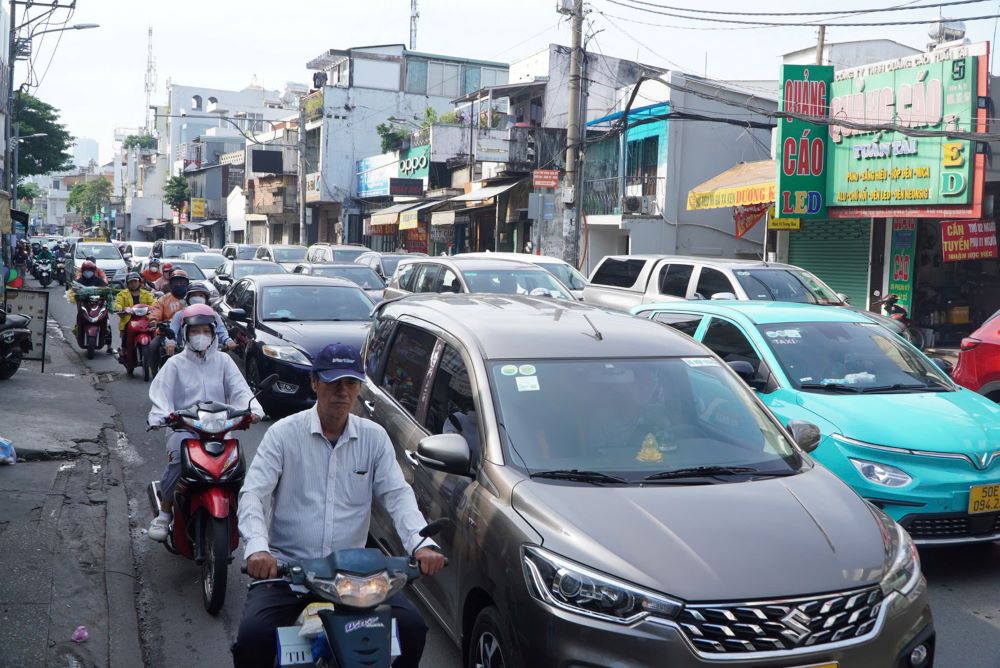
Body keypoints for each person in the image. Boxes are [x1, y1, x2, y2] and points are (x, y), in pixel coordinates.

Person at [232, 343, 446, 668]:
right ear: (315, 383)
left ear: (359, 387)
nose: (343, 392)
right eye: (334, 383)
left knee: (412, 629)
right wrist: (259, 549)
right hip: (290, 573)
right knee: (253, 638)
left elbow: (397, 495)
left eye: (351, 383)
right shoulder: (283, 435)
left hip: (356, 577)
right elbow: (253, 494)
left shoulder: (374, 438)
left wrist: (421, 544)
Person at [147, 304, 263, 541]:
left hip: (219, 430)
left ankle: (239, 510)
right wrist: (163, 416)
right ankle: (165, 512)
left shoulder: (224, 362)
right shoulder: (175, 364)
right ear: (185, 334)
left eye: (206, 331)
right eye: (195, 331)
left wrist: (252, 411)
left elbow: (240, 390)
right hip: (184, 429)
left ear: (213, 332)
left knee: (237, 468)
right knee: (179, 462)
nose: (201, 336)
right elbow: (161, 395)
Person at [164, 282, 235, 355]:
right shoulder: (179, 315)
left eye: (201, 295)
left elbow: (221, 330)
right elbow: (172, 331)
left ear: (206, 299)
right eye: (194, 295)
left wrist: (228, 340)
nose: (197, 298)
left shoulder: (213, 314)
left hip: (209, 353)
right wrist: (170, 343)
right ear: (188, 298)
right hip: (184, 353)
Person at [147, 270, 190, 371]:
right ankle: (155, 374)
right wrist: (153, 319)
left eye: (182, 282)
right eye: (176, 282)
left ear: (187, 284)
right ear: (171, 284)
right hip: (166, 333)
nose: (179, 284)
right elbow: (156, 311)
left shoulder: (191, 297)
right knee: (153, 346)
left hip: (190, 332)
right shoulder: (163, 299)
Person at [113, 272, 155, 365]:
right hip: (129, 320)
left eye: (135, 281)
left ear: (139, 282)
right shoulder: (122, 294)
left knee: (154, 331)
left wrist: (153, 308)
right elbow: (118, 304)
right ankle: (124, 352)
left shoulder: (147, 293)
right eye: (131, 282)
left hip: (145, 319)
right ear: (127, 284)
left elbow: (153, 303)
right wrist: (121, 308)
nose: (133, 284)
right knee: (126, 337)